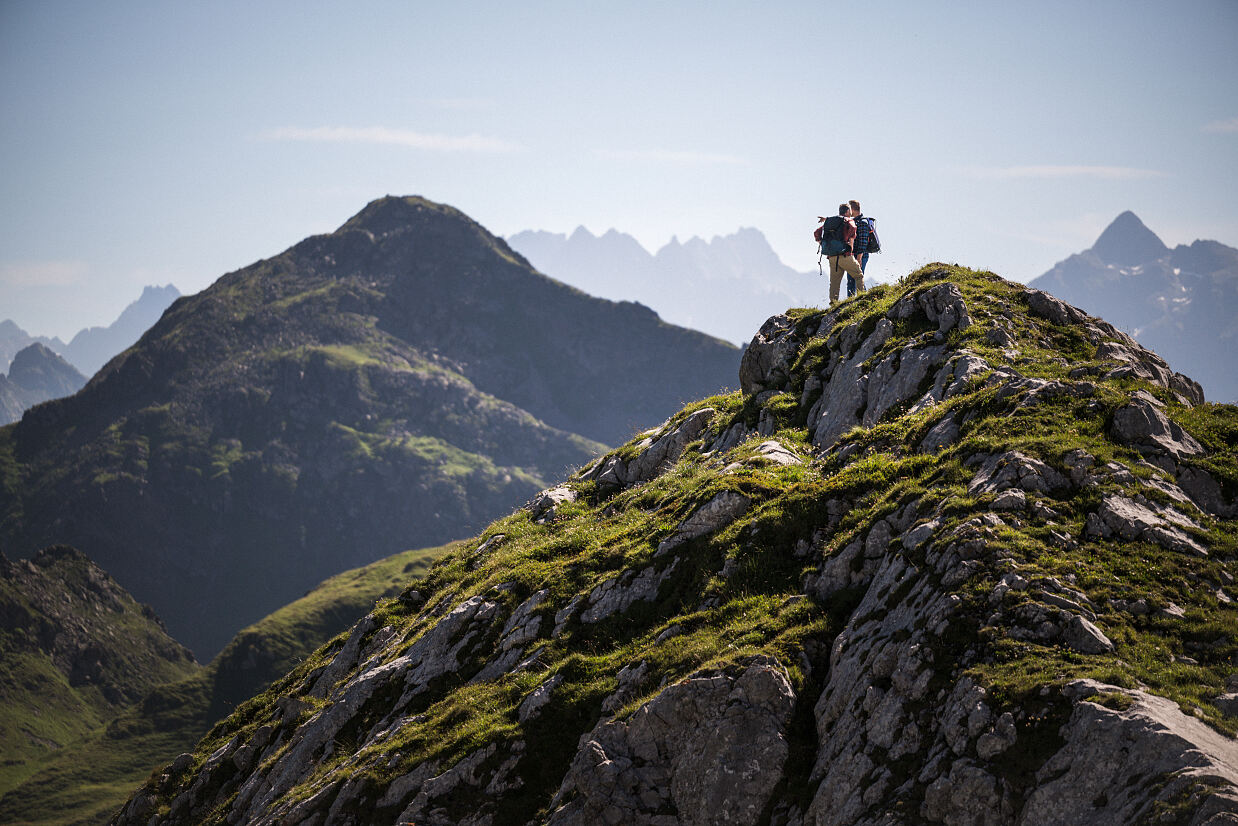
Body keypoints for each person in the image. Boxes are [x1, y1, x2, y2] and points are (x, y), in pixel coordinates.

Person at [822, 203, 864, 304]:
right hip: (845, 255)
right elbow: (853, 231)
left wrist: (824, 244)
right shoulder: (849, 221)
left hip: (832, 257)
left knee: (834, 283)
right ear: (847, 212)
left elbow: (817, 233)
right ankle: (862, 299)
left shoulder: (830, 222)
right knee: (859, 276)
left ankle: (833, 304)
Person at [848, 199, 873, 297]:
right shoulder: (853, 222)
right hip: (853, 256)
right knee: (851, 280)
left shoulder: (862, 222)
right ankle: (850, 303)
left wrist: (859, 258)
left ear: (853, 209)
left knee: (857, 279)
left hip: (860, 256)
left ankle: (863, 300)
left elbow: (863, 242)